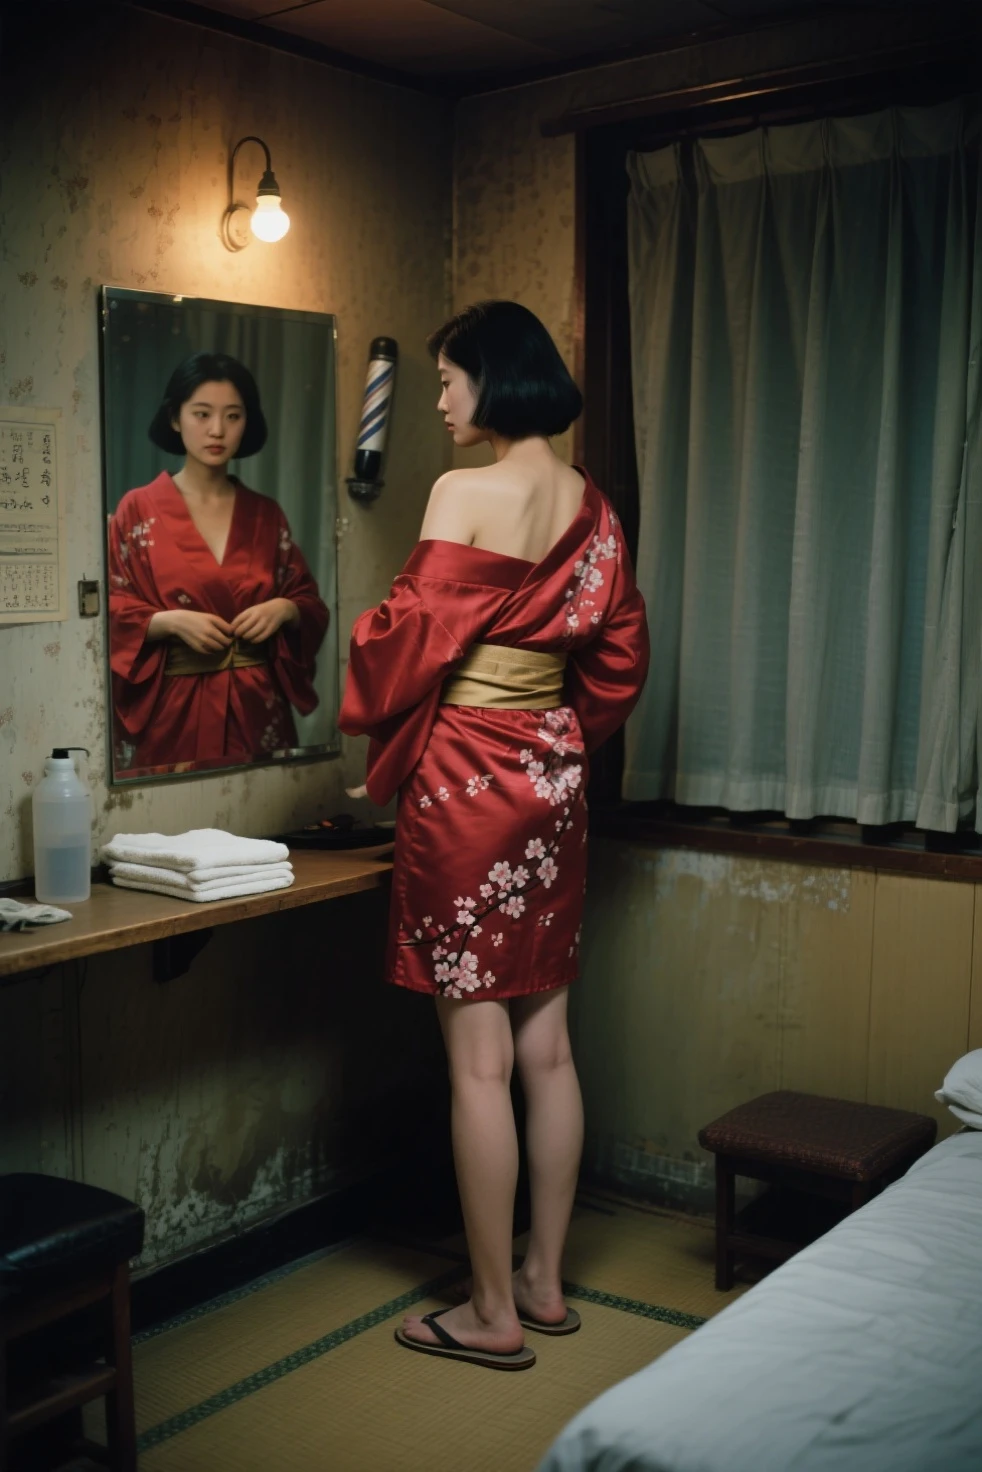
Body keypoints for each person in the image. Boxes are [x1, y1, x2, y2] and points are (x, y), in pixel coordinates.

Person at [339, 301, 650, 1371]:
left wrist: (371, 649)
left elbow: (403, 643)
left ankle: (487, 1310)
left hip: (468, 777)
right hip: (550, 777)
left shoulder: (463, 491)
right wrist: (553, 738)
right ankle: (543, 1281)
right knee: (546, 1044)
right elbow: (618, 663)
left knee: (477, 1064)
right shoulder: (592, 506)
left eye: (447, 378)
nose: (436, 399)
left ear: (495, 380)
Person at [108, 352, 329, 772]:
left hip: (257, 706)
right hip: (171, 711)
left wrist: (284, 610)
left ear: (247, 423)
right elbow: (109, 607)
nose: (217, 430)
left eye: (232, 416)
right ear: (175, 418)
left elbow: (309, 603)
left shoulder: (265, 514)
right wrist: (168, 622)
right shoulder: (137, 509)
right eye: (202, 413)